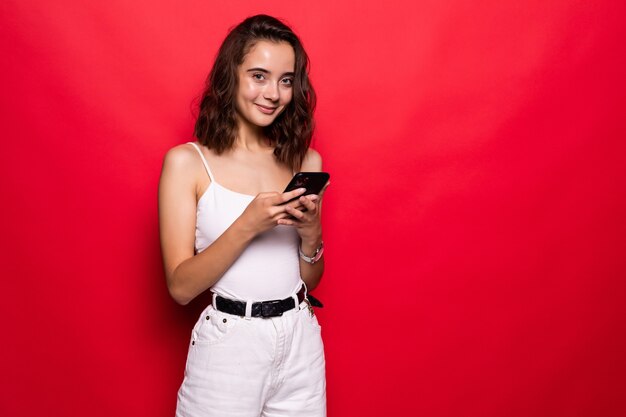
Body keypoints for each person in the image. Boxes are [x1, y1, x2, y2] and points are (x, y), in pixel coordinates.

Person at [158, 14, 328, 417]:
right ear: (229, 76)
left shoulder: (305, 160)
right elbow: (180, 287)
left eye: (286, 80)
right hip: (229, 349)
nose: (273, 93)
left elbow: (311, 277)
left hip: (300, 340)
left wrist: (311, 233)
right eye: (258, 76)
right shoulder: (188, 163)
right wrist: (249, 224)